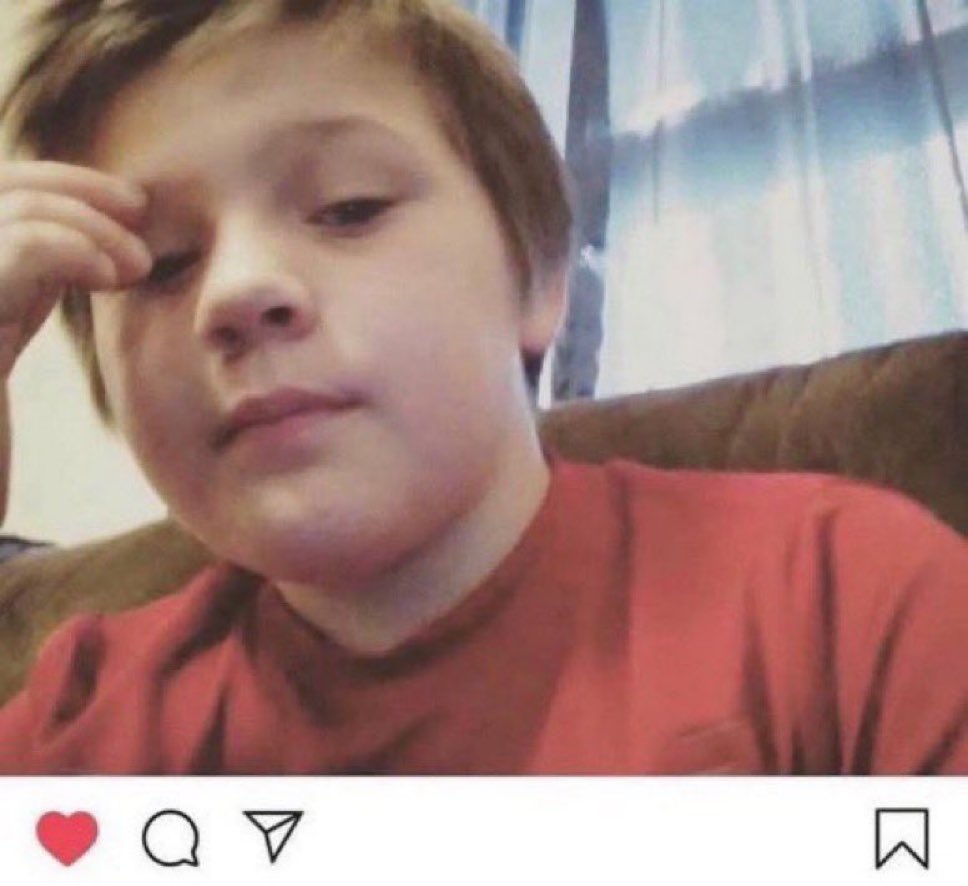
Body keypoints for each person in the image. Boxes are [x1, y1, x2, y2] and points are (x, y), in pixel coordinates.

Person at [0, 0, 965, 775]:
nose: (237, 291)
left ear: (538, 275)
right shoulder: (80, 723)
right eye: (164, 263)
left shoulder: (844, 599)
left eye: (349, 207)